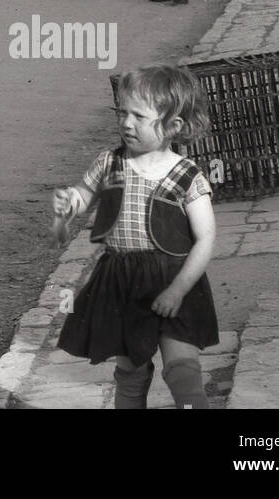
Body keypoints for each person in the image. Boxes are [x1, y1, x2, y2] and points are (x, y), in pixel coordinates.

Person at [51, 64, 218, 409]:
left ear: (173, 126)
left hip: (174, 281)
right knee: (130, 370)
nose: (126, 123)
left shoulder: (187, 177)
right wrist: (71, 203)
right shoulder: (109, 163)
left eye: (139, 117)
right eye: (121, 113)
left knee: (182, 370)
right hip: (122, 283)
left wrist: (178, 290)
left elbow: (205, 239)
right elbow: (84, 195)